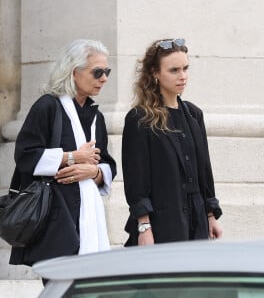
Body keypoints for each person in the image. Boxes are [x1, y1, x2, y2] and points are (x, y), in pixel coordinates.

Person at [9, 39, 117, 267]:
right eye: (97, 72)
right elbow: (25, 155)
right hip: (55, 221)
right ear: (73, 72)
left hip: (88, 219)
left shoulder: (96, 116)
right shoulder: (47, 107)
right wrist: (71, 157)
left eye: (106, 71)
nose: (104, 78)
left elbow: (107, 164)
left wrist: (94, 172)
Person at [122, 38, 222, 246]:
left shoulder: (194, 115)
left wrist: (211, 215)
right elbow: (136, 181)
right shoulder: (140, 118)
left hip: (197, 222)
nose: (182, 76)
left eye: (185, 68)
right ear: (155, 73)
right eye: (174, 70)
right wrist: (144, 227)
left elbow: (204, 170)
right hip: (162, 224)